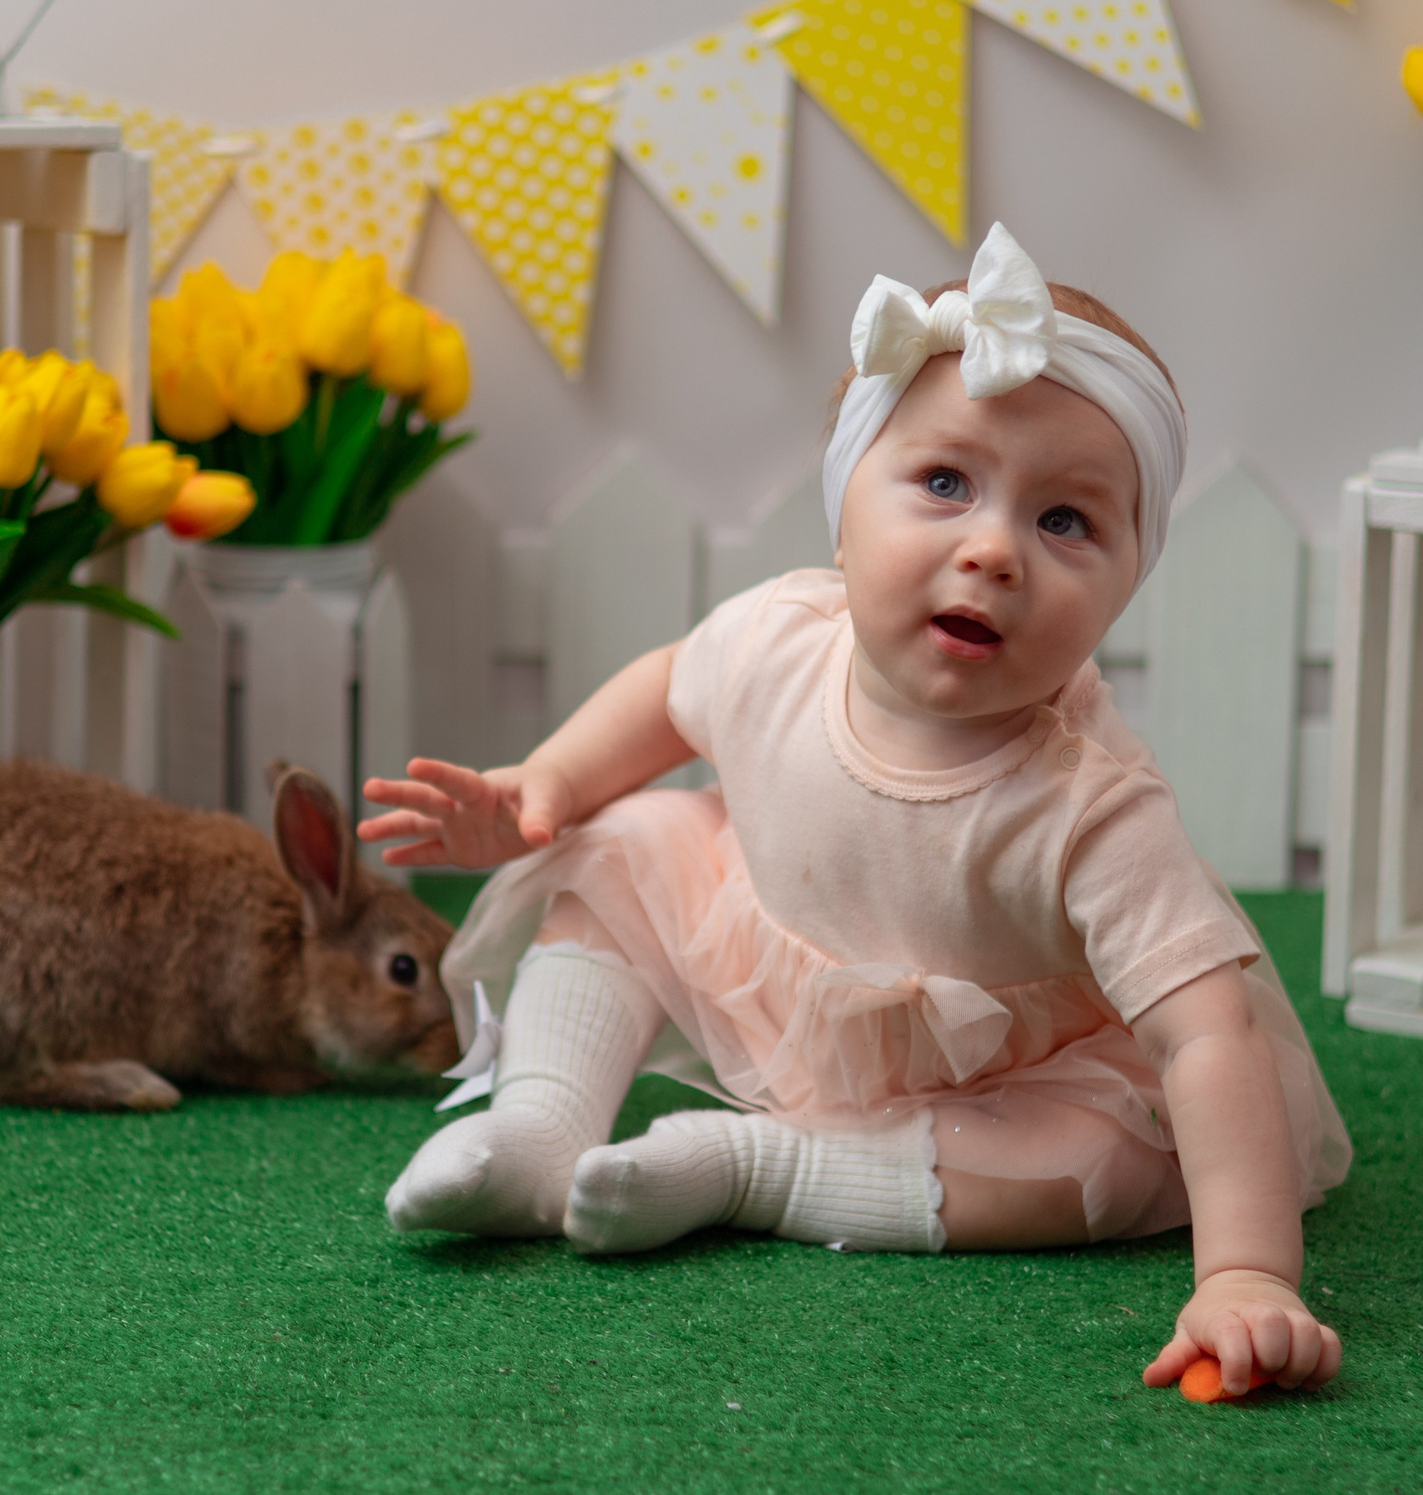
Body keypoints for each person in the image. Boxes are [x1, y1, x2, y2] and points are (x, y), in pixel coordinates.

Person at [361, 224, 1350, 1396]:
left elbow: (1205, 1035)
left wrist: (1245, 1273)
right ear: (843, 510)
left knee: (1110, 1167)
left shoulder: (1091, 810)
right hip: (792, 964)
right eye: (943, 483)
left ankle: (755, 1170)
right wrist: (549, 786)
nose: (993, 550)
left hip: (1011, 1074)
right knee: (625, 843)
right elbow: (672, 689)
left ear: (1128, 580)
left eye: (1065, 521)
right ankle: (540, 1128)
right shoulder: (777, 641)